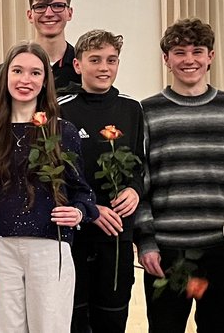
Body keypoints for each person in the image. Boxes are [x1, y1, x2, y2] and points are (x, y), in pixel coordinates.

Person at [134, 17, 224, 332]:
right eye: (179, 52)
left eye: (197, 51)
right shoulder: (145, 112)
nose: (189, 60)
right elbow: (139, 183)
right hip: (166, 250)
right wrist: (146, 241)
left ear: (211, 56)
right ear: (166, 59)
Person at [0, 42, 95, 332]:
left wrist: (79, 212)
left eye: (34, 73)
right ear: (5, 77)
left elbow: (83, 193)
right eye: (17, 71)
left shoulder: (62, 132)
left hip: (49, 246)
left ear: (44, 82)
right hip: (5, 248)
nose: (25, 80)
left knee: (49, 327)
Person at [58, 29, 145, 333]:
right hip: (75, 232)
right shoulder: (60, 108)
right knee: (75, 319)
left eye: (111, 60)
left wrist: (135, 189)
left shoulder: (132, 109)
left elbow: (139, 163)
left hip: (117, 234)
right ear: (78, 64)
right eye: (95, 60)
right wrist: (90, 210)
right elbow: (54, 175)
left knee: (112, 318)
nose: (104, 67)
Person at [0, 0, 79, 126]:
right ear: (30, 15)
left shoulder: (82, 68)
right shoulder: (6, 71)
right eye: (40, 7)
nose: (49, 13)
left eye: (58, 6)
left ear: (70, 13)